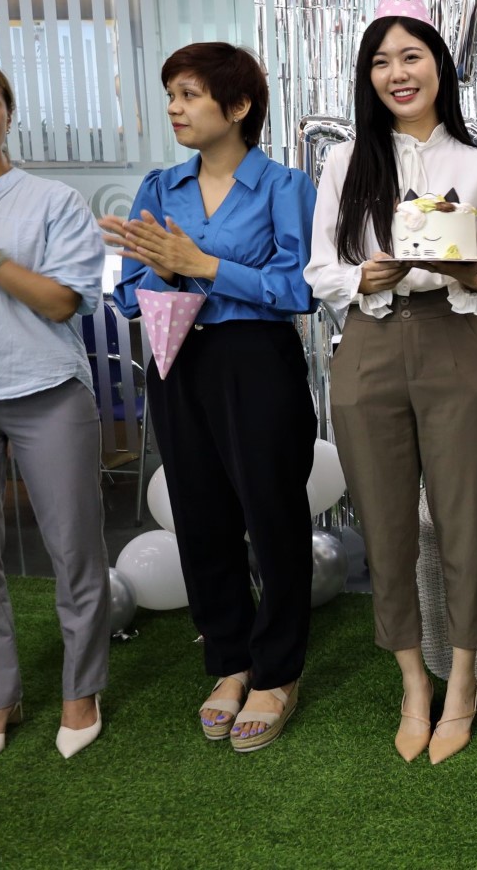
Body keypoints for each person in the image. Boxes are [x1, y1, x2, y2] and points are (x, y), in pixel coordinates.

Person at [305, 0, 477, 765]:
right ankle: (412, 682)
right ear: (369, 77)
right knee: (387, 528)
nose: (398, 73)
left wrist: (468, 271)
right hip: (370, 345)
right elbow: (320, 268)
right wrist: (365, 276)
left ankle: (463, 678)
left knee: (465, 519)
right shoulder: (346, 161)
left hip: (453, 343)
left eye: (412, 56)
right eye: (382, 61)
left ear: (439, 67)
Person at [105, 42, 317, 753]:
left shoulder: (284, 186)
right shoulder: (159, 187)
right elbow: (126, 293)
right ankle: (230, 661)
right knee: (200, 517)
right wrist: (162, 276)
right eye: (171, 94)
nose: (175, 108)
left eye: (189, 94)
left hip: (256, 360)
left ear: (239, 105)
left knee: (273, 514)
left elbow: (301, 288)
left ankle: (277, 673)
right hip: (176, 357)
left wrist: (206, 265)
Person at [0, 52, 109, 769]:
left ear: (8, 114)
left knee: (74, 550)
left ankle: (82, 690)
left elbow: (62, 302)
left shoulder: (52, 201)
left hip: (47, 391)